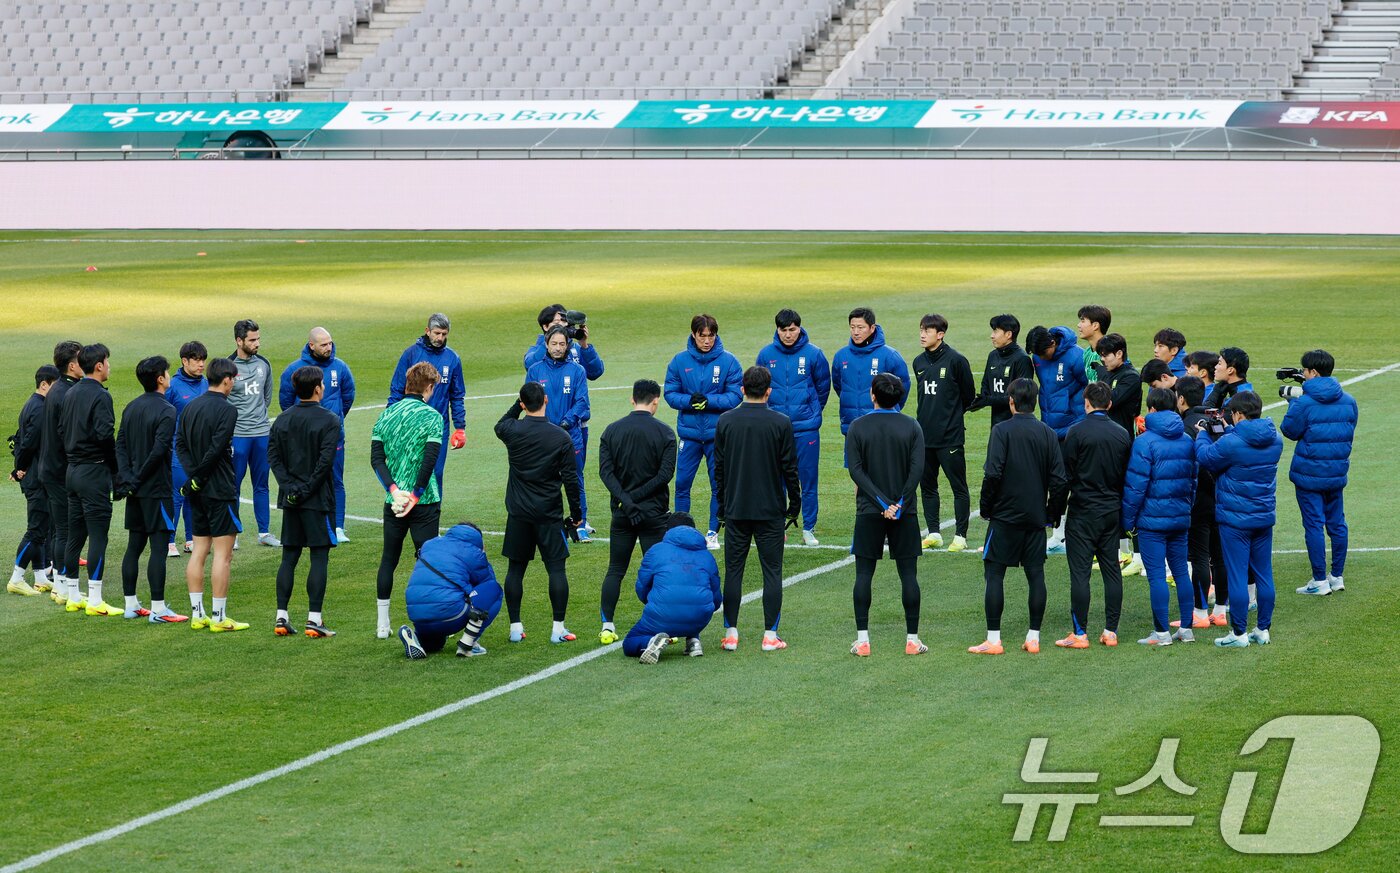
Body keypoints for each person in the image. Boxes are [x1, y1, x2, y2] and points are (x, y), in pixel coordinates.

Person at [969, 379, 1067, 655]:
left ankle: (994, 639)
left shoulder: (1002, 430)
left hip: (1005, 517)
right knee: (1036, 575)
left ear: (1011, 401)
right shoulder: (1047, 433)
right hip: (1035, 517)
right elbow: (1059, 479)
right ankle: (1033, 637)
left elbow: (993, 473)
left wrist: (986, 508)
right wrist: (1051, 514)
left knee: (995, 573)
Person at [714, 367, 800, 653]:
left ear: (742, 389)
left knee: (733, 571)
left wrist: (722, 508)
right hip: (770, 510)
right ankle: (769, 636)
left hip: (737, 509)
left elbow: (720, 470)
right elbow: (790, 468)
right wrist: (794, 505)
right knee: (772, 572)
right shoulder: (781, 422)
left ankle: (731, 635)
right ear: (768, 391)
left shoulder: (726, 421)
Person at [495, 381, 583, 644]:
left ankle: (515, 628)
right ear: (546, 399)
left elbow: (502, 422)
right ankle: (558, 629)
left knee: (515, 569)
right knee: (556, 569)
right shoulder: (560, 437)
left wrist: (519, 403)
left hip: (519, 512)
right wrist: (577, 513)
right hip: (548, 512)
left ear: (522, 404)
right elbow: (571, 480)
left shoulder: (512, 430)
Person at [846, 373, 927, 657]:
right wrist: (899, 503)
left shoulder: (858, 427)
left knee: (864, 574)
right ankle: (912, 640)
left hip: (869, 510)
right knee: (908, 575)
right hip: (904, 513)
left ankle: (863, 640)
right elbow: (917, 469)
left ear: (873, 395)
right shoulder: (912, 426)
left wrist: (881, 502)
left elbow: (856, 470)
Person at [1193, 391, 1282, 648]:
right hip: (1263, 516)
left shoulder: (1231, 443)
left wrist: (1202, 434)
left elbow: (1206, 458)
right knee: (1264, 574)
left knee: (1237, 576)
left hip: (1235, 520)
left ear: (1239, 414)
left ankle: (1239, 633)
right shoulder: (1275, 439)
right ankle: (1263, 629)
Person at [596, 379, 677, 645]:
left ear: (632, 399)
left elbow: (605, 473)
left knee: (616, 569)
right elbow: (664, 475)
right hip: (653, 514)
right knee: (657, 570)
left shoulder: (611, 431)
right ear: (656, 401)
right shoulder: (665, 433)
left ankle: (607, 625)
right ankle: (660, 625)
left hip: (622, 513)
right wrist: (638, 500)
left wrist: (626, 501)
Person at [370, 361, 446, 639]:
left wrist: (394, 491)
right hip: (423, 501)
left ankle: (382, 624)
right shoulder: (432, 417)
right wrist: (415, 494)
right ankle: (429, 621)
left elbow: (376, 459)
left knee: (388, 559)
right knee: (427, 562)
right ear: (428, 387)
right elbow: (430, 461)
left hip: (395, 502)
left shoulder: (386, 415)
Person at [269, 364, 343, 638]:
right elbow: (325, 463)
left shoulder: (282, 420)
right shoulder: (330, 420)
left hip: (291, 500)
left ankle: (281, 617)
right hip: (317, 500)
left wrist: (290, 488)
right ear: (317, 388)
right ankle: (314, 619)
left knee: (289, 557)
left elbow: (273, 458)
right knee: (319, 557)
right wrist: (306, 489)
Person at [1055, 382, 1130, 649]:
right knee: (1112, 570)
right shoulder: (1122, 434)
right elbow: (1126, 477)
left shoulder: (1076, 432)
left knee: (1080, 574)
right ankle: (1110, 631)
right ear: (1109, 404)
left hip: (1082, 512)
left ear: (1086, 403)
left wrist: (1055, 512)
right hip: (1111, 511)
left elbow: (1065, 476)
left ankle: (1080, 633)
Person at [1121, 388, 1197, 646]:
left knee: (1156, 576)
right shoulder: (1187, 439)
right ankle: (1186, 629)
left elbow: (1135, 487)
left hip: (1152, 520)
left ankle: (1162, 632)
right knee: (1181, 573)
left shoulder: (1144, 442)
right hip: (1180, 517)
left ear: (1151, 409)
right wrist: (1187, 508)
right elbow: (1193, 480)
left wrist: (1128, 520)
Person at [177, 357, 247, 632]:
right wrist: (200, 477)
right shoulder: (228, 411)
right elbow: (217, 449)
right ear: (227, 380)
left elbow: (180, 444)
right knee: (223, 555)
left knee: (199, 550)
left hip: (197, 491)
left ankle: (197, 615)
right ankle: (219, 617)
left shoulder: (191, 406)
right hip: (219, 489)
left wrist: (192, 477)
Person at [1281, 349, 1358, 596]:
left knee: (1314, 525)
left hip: (1309, 474)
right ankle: (1337, 576)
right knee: (1337, 523)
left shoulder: (1304, 402)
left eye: (1304, 370)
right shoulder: (1348, 400)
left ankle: (1319, 581)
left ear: (1312, 372)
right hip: (1336, 471)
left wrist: (1293, 405)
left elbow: (1290, 431)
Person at [664, 313, 743, 549]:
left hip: (717, 436)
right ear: (693, 335)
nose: (707, 341)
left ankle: (712, 532)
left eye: (711, 336)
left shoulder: (729, 362)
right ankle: (680, 531)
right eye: (702, 336)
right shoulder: (679, 361)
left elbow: (736, 394)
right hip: (688, 436)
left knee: (718, 485)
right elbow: (669, 393)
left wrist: (709, 401)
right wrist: (690, 401)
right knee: (682, 483)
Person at [115, 355, 185, 622]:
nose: (169, 376)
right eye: (167, 373)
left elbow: (119, 445)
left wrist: (128, 478)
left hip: (135, 489)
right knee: (158, 548)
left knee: (134, 546)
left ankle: (131, 605)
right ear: (160, 379)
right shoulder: (168, 410)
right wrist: (140, 477)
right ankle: (158, 609)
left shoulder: (131, 407)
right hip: (155, 489)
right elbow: (159, 451)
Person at [524, 304, 604, 534]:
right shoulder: (538, 350)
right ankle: (547, 521)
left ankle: (581, 520)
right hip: (545, 429)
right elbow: (533, 365)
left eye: (566, 321)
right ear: (546, 326)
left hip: (576, 424)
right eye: (560, 320)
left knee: (575, 474)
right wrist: (549, 340)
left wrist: (584, 344)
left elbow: (596, 371)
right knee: (545, 478)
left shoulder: (573, 349)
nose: (565, 324)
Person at [756, 308, 830, 545]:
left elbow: (823, 388)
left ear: (799, 328)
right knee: (776, 480)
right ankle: (779, 526)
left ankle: (808, 528)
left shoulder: (814, 354)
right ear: (777, 330)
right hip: (775, 430)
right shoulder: (766, 355)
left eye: (792, 330)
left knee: (807, 479)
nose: (788, 335)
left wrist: (811, 412)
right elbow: (759, 386)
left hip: (806, 428)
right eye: (784, 330)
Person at [60, 343, 121, 616]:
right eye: (107, 362)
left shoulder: (70, 392)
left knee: (75, 535)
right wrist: (115, 469)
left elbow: (62, 430)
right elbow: (105, 436)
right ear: (98, 365)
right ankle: (95, 599)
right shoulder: (101, 396)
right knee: (98, 537)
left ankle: (73, 595)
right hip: (93, 472)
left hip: (71, 472)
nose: (109, 366)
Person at [279, 326, 355, 542]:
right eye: (323, 344)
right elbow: (286, 401)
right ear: (311, 345)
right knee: (306, 477)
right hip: (303, 438)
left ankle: (338, 526)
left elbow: (348, 396)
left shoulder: (340, 368)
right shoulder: (294, 369)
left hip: (333, 437)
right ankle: (307, 523)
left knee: (336, 479)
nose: (328, 347)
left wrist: (336, 418)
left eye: (330, 343)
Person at [912, 313, 976, 551]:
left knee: (958, 487)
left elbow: (969, 397)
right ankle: (934, 533)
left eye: (927, 331)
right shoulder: (918, 362)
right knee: (928, 487)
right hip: (924, 437)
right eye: (921, 330)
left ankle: (960, 536)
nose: (922, 334)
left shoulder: (956, 360)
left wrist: (951, 418)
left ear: (940, 334)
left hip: (950, 436)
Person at [624, 512, 722, 664]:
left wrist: (654, 603)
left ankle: (650, 642)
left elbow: (642, 587)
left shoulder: (656, 550)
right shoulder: (707, 555)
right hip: (700, 619)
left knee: (630, 642)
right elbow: (716, 597)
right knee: (692, 601)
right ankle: (693, 640)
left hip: (661, 617)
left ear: (667, 530)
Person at [398, 523, 504, 660]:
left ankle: (416, 637)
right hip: (449, 613)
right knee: (494, 589)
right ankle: (468, 644)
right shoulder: (473, 552)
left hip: (418, 616)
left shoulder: (430, 544)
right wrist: (483, 555)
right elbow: (487, 583)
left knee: (436, 644)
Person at [1023, 325, 1085, 554]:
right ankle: (1057, 534)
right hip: (1049, 429)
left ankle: (1074, 534)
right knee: (1055, 483)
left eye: (1041, 353)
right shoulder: (1038, 359)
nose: (1038, 358)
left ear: (1052, 344)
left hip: (1073, 428)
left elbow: (1091, 389)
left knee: (1074, 482)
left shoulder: (1076, 356)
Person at [389, 313, 466, 494]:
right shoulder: (411, 354)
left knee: (436, 473)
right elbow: (396, 390)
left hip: (438, 426)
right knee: (408, 472)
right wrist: (391, 419)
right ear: (427, 331)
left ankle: (431, 516)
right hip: (410, 425)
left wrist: (460, 427)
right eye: (437, 333)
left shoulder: (453, 359)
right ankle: (407, 512)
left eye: (444, 334)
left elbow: (457, 396)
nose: (440, 338)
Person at [1177, 376, 1227, 629]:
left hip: (1198, 498)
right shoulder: (1215, 420)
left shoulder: (1183, 426)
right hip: (1222, 495)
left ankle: (1199, 612)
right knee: (1219, 555)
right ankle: (1220, 611)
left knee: (1199, 555)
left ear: (1181, 399)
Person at [1094, 332, 1143, 575]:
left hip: (1124, 445)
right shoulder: (1111, 373)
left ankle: (1137, 555)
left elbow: (1108, 401)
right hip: (1107, 445)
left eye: (1106, 355)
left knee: (1129, 499)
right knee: (1112, 498)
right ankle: (1121, 551)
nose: (1103, 360)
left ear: (1120, 354)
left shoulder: (1130, 377)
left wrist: (1099, 377)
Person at [832, 307, 910, 459]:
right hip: (852, 425)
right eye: (852, 327)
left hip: (883, 427)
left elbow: (902, 388)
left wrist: (890, 406)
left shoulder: (890, 356)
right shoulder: (841, 356)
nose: (856, 332)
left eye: (860, 327)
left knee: (881, 470)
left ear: (872, 328)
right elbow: (838, 385)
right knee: (856, 472)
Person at [8, 365, 59, 596]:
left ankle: (40, 577)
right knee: (36, 529)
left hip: (35, 475)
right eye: (55, 385)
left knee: (43, 527)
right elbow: (28, 443)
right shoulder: (39, 408)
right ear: (44, 384)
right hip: (37, 478)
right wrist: (20, 467)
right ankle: (17, 578)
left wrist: (19, 467)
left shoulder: (33, 404)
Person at [228, 319, 278, 549]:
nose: (257, 343)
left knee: (262, 484)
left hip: (261, 434)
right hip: (237, 435)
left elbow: (266, 398)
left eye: (258, 338)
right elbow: (222, 401)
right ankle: (233, 533)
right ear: (239, 341)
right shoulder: (227, 366)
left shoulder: (264, 364)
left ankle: (264, 532)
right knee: (233, 485)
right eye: (252, 340)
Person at [39, 341, 82, 606]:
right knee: (66, 529)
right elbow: (68, 435)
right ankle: (63, 586)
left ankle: (60, 582)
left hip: (51, 468)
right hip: (60, 470)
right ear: (71, 365)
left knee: (60, 529)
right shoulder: (67, 393)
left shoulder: (58, 389)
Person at [167, 341, 208, 555]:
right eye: (197, 360)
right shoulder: (172, 386)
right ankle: (169, 540)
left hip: (201, 451)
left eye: (203, 360)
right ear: (185, 361)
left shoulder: (206, 384)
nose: (201, 364)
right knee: (177, 495)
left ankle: (192, 538)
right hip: (177, 449)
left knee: (195, 492)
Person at [969, 314, 1035, 434]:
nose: (992, 336)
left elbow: (1020, 398)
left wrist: (988, 400)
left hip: (1017, 427)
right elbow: (986, 386)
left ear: (1008, 334)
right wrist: (974, 402)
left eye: (995, 331)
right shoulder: (993, 356)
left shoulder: (1022, 359)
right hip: (996, 426)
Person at [1209, 346, 1254, 412]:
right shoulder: (1245, 390)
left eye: (1219, 364)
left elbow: (1205, 416)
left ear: (1230, 370)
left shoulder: (1240, 399)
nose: (1215, 367)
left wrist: (1216, 393)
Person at [1076, 304, 1111, 381]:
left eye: (1083, 321)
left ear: (1095, 325)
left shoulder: (1110, 352)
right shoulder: (1087, 352)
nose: (1078, 325)